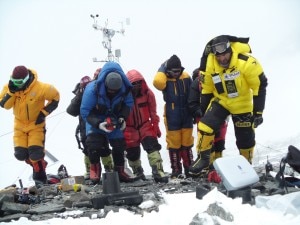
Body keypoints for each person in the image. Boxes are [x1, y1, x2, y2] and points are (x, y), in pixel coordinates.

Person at [189, 35, 268, 175]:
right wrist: (203, 110)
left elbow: (260, 85)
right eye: (218, 56)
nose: (221, 59)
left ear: (230, 50)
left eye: (224, 54)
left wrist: (258, 112)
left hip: (242, 103)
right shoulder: (210, 63)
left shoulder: (247, 62)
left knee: (245, 139)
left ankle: (246, 166)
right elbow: (207, 89)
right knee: (205, 126)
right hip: (222, 100)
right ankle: (203, 158)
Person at [0, 65, 60, 185]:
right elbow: (4, 105)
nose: (17, 84)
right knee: (20, 155)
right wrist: (11, 93)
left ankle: (40, 179)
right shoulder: (9, 87)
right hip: (19, 125)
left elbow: (55, 97)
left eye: (19, 82)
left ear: (26, 78)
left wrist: (43, 113)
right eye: (14, 81)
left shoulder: (41, 88)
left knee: (36, 154)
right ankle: (38, 163)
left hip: (36, 125)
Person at [80, 61, 136, 183]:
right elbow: (85, 111)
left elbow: (128, 104)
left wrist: (122, 117)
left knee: (119, 145)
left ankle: (120, 171)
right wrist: (98, 123)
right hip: (96, 119)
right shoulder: (92, 89)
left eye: (115, 91)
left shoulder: (126, 89)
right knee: (93, 143)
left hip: (114, 118)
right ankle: (95, 170)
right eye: (110, 90)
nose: (112, 92)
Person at [153, 55, 194, 178]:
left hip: (187, 113)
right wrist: (162, 68)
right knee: (174, 143)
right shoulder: (165, 79)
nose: (176, 74)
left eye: (178, 71)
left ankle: (189, 167)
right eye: (172, 71)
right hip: (172, 114)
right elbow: (157, 82)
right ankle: (176, 169)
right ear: (167, 71)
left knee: (187, 142)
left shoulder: (186, 77)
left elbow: (193, 93)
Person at [124, 69, 169, 183]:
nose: (137, 85)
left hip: (145, 126)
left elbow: (153, 113)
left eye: (139, 82)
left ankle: (158, 171)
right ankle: (137, 172)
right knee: (132, 154)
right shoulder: (122, 97)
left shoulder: (148, 94)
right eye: (134, 83)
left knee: (153, 148)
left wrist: (156, 127)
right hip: (129, 129)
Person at [66, 74, 114, 180]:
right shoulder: (80, 96)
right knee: (87, 149)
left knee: (104, 147)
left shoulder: (96, 92)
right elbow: (70, 111)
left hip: (98, 124)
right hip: (84, 127)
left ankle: (109, 168)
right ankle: (90, 171)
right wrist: (80, 95)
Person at [187, 68, 228, 173]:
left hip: (217, 116)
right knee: (210, 142)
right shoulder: (197, 84)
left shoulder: (214, 80)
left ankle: (216, 167)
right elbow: (192, 103)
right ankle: (211, 167)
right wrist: (201, 113)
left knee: (217, 142)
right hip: (206, 117)